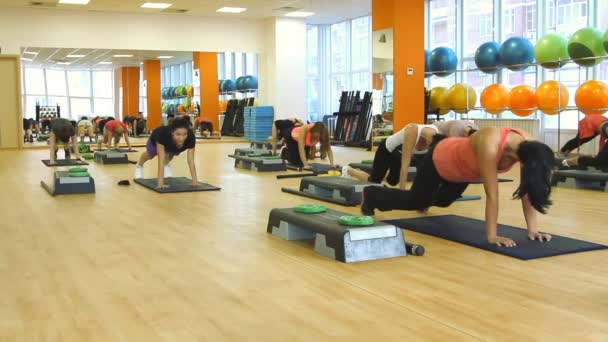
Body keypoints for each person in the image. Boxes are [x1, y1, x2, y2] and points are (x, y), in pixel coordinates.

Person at [361, 127, 555, 248]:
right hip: (441, 158)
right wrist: (492, 236)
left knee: (444, 202)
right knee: (416, 200)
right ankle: (372, 195)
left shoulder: (532, 148)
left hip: (463, 172)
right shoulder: (491, 142)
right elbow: (492, 195)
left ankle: (425, 198)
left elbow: (529, 189)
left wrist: (533, 231)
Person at [343, 123, 439, 189]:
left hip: (398, 154)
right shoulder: (412, 131)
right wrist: (402, 194)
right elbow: (405, 167)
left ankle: (382, 173)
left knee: (393, 181)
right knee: (374, 182)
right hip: (386, 150)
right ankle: (349, 170)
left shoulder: (437, 136)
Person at [134, 117, 198, 189]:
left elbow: (191, 160)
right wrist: (160, 183)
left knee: (172, 153)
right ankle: (139, 165)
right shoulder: (163, 135)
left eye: (184, 134)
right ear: (172, 132)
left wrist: (194, 180)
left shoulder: (191, 137)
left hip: (171, 144)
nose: (181, 138)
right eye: (178, 134)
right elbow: (161, 160)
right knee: (151, 154)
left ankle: (166, 164)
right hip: (156, 139)